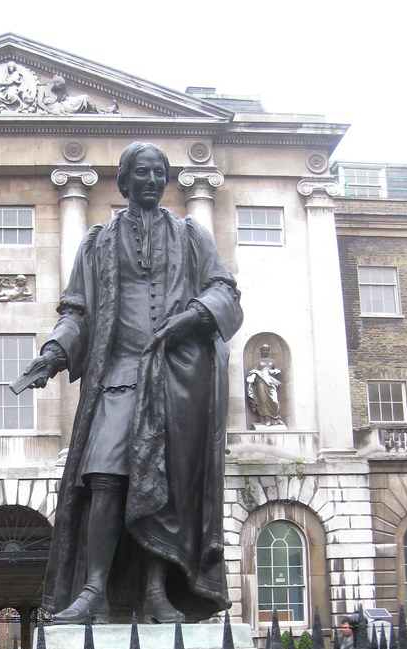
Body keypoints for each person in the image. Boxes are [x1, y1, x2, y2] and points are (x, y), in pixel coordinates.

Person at [21, 143, 243, 623]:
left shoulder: (191, 234)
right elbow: (77, 311)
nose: (152, 179)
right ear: (123, 181)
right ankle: (94, 590)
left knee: (161, 485)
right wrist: (54, 353)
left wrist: (192, 317)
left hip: (176, 379)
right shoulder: (98, 241)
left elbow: (224, 290)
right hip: (118, 374)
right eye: (142, 172)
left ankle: (157, 593)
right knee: (104, 477)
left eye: (159, 172)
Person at [246, 343, 283, 425]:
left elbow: (277, 369)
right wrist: (253, 376)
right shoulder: (257, 362)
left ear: (268, 351)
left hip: (271, 382)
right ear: (261, 351)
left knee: (274, 401)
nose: (265, 351)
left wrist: (276, 371)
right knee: (263, 401)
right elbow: (253, 371)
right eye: (264, 350)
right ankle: (266, 419)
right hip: (261, 382)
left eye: (267, 350)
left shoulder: (272, 361)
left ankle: (276, 418)